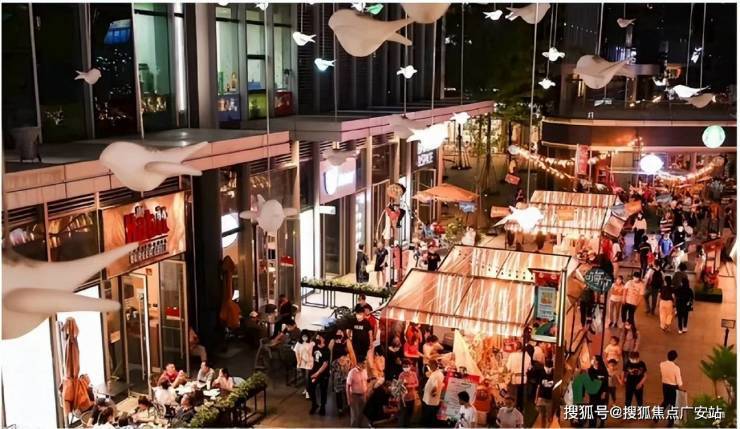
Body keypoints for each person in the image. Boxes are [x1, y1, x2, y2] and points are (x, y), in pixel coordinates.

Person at [330, 330, 351, 416]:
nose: (339, 333)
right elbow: (330, 353)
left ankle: (348, 406)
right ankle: (340, 409)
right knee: (337, 389)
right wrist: (330, 367)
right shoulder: (333, 341)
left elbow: (351, 353)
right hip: (336, 368)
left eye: (340, 331)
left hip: (345, 368)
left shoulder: (346, 341)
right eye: (337, 331)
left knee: (346, 389)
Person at [660, 350, 683, 427]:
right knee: (673, 405)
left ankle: (656, 416)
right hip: (673, 388)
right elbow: (679, 382)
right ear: (675, 358)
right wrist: (680, 386)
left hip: (665, 386)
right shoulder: (676, 368)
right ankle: (670, 423)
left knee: (665, 401)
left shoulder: (662, 364)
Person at [308, 334, 330, 415]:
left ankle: (322, 407)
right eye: (317, 337)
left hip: (323, 373)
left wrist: (317, 374)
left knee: (323, 390)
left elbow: (325, 364)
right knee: (310, 388)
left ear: (323, 339)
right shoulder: (314, 347)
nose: (318, 338)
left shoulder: (327, 350)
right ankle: (314, 404)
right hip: (313, 371)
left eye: (319, 337)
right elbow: (311, 358)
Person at [588, 356, 609, 428]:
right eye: (592, 359)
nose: (592, 360)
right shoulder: (590, 370)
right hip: (593, 392)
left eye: (594, 359)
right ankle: (592, 425)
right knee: (592, 408)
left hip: (601, 392)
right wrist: (599, 377)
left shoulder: (603, 370)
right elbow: (591, 379)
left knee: (601, 407)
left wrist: (604, 392)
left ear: (598, 361)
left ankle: (602, 424)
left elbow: (606, 382)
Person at [346, 360, 369, 428]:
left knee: (362, 413)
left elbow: (366, 382)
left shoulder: (365, 371)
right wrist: (348, 398)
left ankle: (360, 426)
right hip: (354, 395)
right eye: (364, 363)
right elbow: (347, 386)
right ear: (359, 363)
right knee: (355, 415)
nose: (365, 365)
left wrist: (366, 393)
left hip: (363, 395)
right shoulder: (352, 372)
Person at [422, 360, 445, 427]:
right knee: (432, 415)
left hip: (431, 400)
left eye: (430, 365)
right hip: (432, 400)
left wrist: (432, 394)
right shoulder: (439, 373)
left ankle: (429, 426)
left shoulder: (435, 375)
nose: (429, 367)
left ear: (434, 365)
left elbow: (435, 387)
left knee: (430, 416)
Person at [398, 359, 419, 427]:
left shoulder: (413, 374)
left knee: (410, 412)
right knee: (404, 413)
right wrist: (403, 386)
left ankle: (408, 424)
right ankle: (403, 425)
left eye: (406, 366)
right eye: (404, 366)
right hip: (404, 398)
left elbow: (417, 383)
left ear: (410, 366)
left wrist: (409, 386)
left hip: (412, 396)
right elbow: (399, 385)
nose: (405, 368)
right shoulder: (401, 375)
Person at [294, 330, 315, 399]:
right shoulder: (298, 344)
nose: (304, 338)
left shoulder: (311, 343)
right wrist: (298, 361)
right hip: (302, 362)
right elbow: (296, 352)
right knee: (304, 377)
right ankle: (306, 389)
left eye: (306, 336)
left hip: (309, 362)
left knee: (307, 377)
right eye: (303, 336)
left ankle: (308, 392)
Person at [535, 359, 555, 428]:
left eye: (549, 367)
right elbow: (538, 386)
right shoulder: (541, 373)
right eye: (547, 367)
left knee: (549, 418)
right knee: (542, 416)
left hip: (549, 399)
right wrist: (536, 399)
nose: (548, 369)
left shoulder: (554, 374)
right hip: (542, 398)